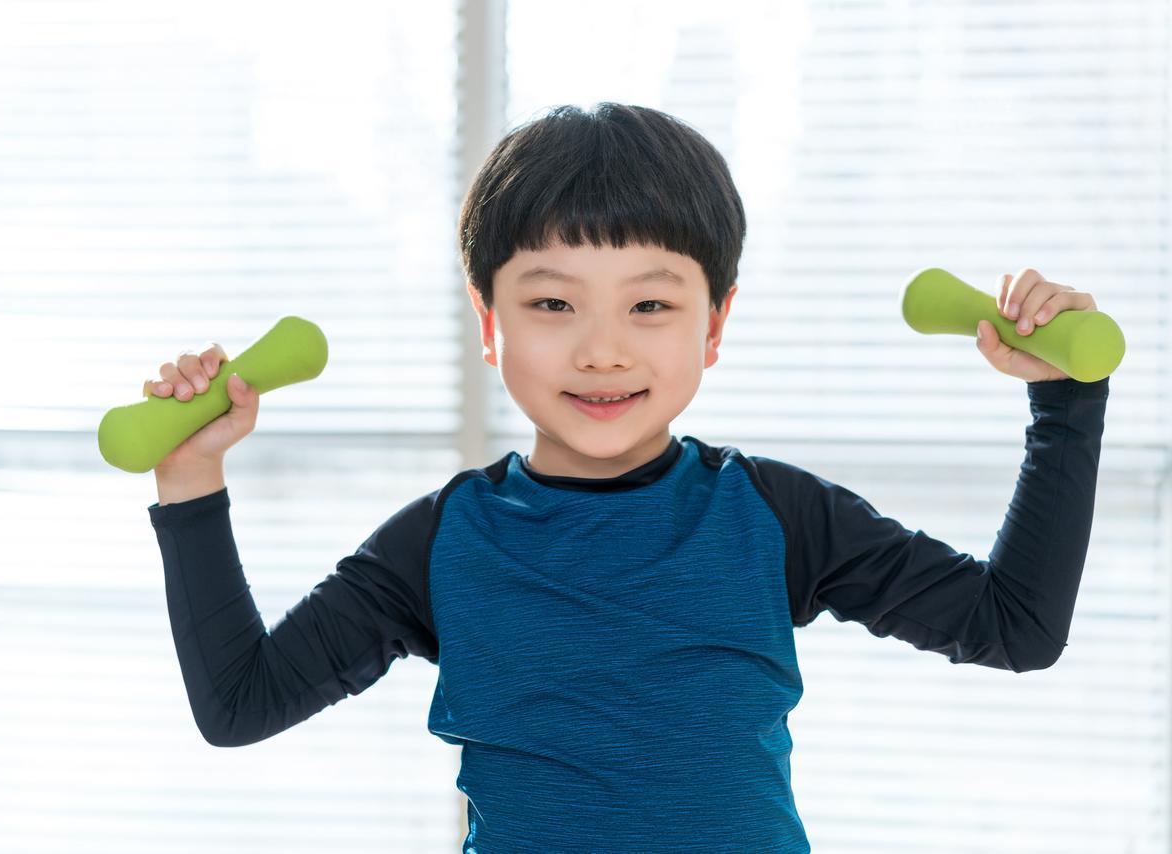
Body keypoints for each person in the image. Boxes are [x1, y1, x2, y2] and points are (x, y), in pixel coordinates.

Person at [144, 103, 1109, 852]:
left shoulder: (775, 516)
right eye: (553, 303)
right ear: (489, 323)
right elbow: (240, 704)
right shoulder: (441, 543)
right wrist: (190, 478)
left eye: (649, 305)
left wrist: (1065, 404)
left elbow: (1015, 628)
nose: (602, 350)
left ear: (714, 324)